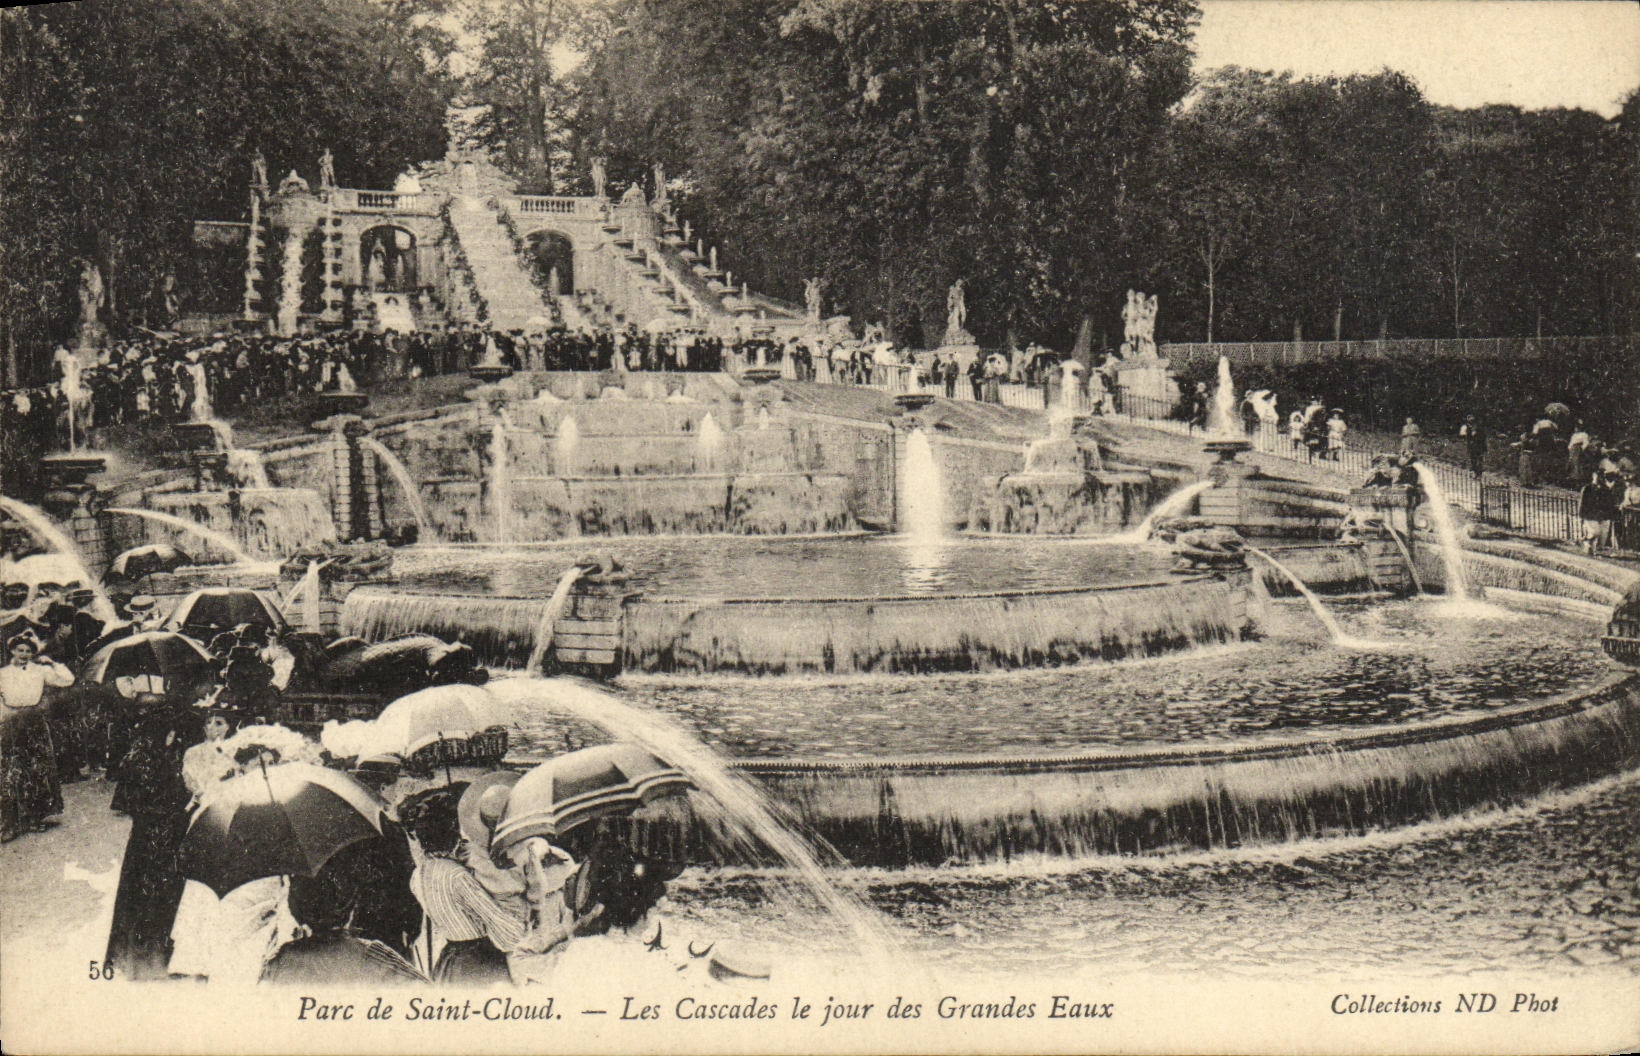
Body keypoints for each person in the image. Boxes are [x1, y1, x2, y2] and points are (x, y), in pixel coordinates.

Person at [106, 691, 203, 978]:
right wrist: (189, 804)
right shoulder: (149, 758)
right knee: (158, 891)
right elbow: (158, 801)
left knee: (141, 893)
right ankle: (152, 955)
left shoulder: (144, 752)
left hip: (147, 836)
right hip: (161, 835)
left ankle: (146, 951)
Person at [0, 630, 74, 841]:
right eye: (19, 650)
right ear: (12, 650)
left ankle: (35, 817)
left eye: (28, 651)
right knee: (11, 771)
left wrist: (52, 663)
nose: (23, 654)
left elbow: (67, 680)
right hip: (11, 722)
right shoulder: (3, 673)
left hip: (34, 721)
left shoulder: (40, 670)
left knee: (38, 769)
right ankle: (10, 823)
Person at [1579, 473, 1616, 555]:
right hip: (1590, 515)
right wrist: (1581, 515)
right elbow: (1582, 503)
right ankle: (1587, 543)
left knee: (1603, 534)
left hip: (1603, 515)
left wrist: (1610, 514)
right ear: (1593, 477)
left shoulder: (1606, 489)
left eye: (1601, 477)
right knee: (1595, 531)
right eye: (1598, 477)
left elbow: (1610, 503)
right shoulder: (1587, 488)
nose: (1600, 479)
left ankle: (1596, 549)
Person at [1459, 415, 1486, 479]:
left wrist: (1484, 447)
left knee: (1479, 460)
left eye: (1473, 422)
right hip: (1472, 447)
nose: (1473, 424)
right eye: (1470, 422)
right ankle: (1476, 473)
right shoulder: (1468, 428)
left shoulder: (1480, 429)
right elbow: (1465, 436)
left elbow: (1483, 438)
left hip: (1479, 446)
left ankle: (1479, 474)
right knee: (1473, 460)